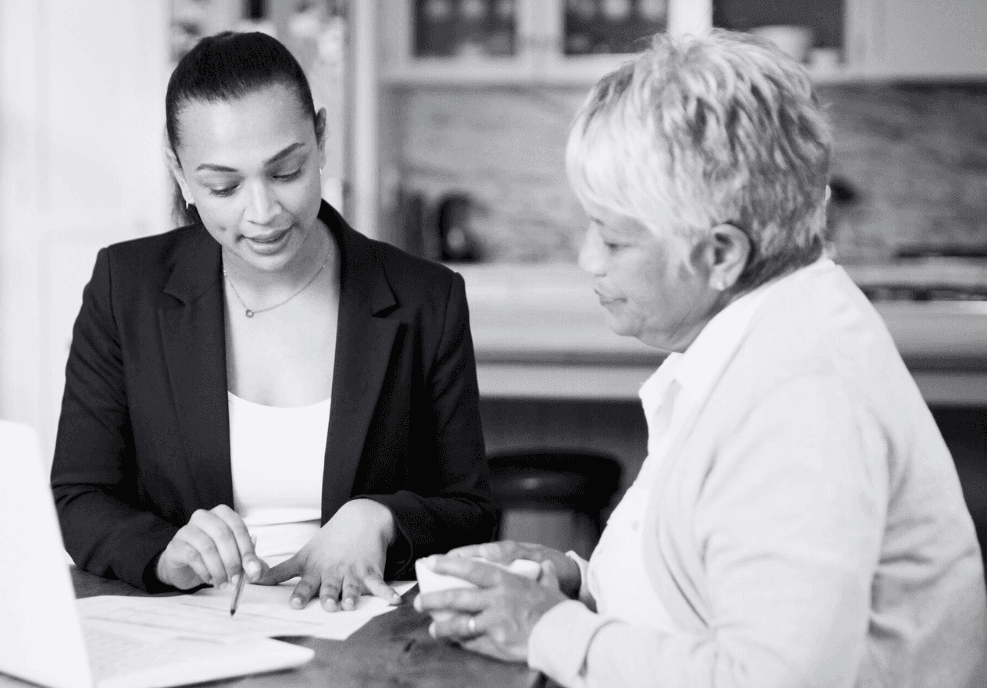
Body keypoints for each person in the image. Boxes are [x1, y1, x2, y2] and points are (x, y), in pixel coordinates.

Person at [415, 30, 987, 686]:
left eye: (612, 238)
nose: (587, 261)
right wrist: (572, 583)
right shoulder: (757, 334)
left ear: (720, 255)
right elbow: (705, 569)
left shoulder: (801, 401)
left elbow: (770, 678)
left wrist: (549, 629)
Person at [50, 31, 496, 611]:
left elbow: (473, 511)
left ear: (321, 138)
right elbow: (79, 496)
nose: (262, 213)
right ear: (180, 173)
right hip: (189, 627)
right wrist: (166, 552)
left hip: (361, 630)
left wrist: (381, 517)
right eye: (224, 186)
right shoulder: (124, 288)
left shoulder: (424, 299)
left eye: (286, 172)